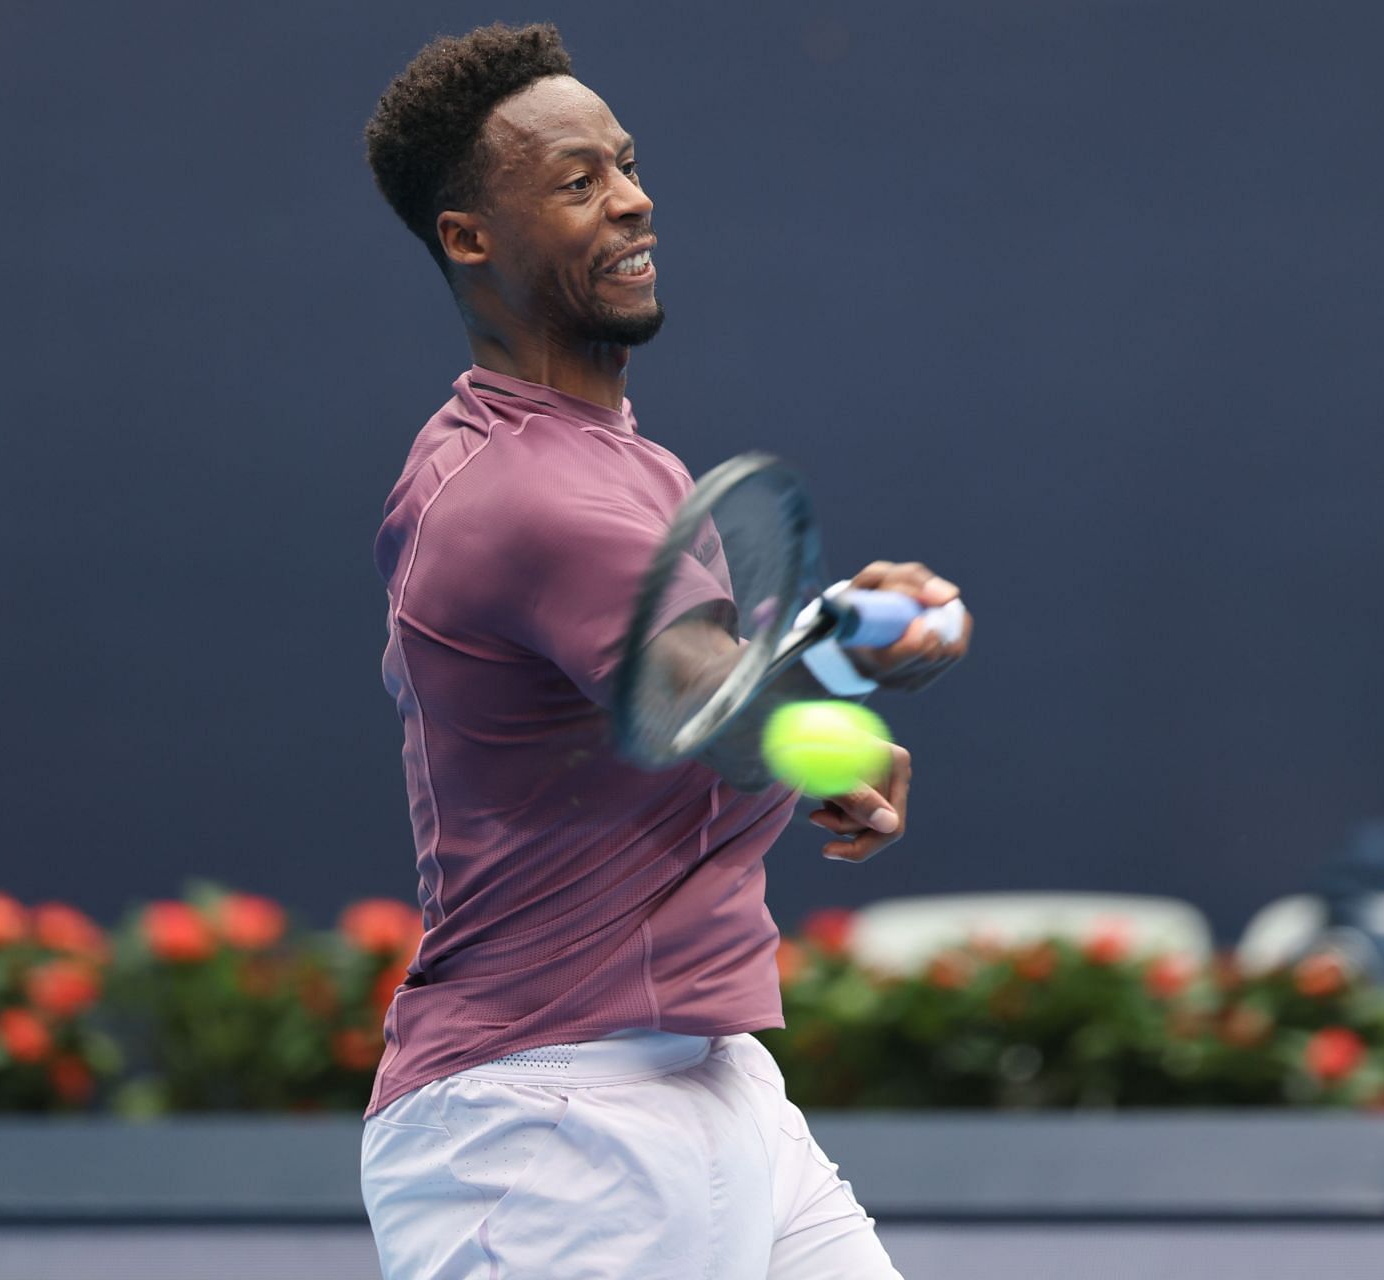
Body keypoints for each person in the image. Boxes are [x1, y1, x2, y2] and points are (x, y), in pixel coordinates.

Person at [360, 23, 969, 1279]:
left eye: (627, 164)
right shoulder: (537, 496)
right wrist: (857, 653)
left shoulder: (603, 457)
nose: (634, 198)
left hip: (712, 1082)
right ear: (470, 237)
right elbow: (717, 716)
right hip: (552, 1131)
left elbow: (687, 720)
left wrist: (819, 732)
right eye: (578, 180)